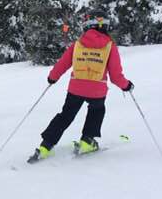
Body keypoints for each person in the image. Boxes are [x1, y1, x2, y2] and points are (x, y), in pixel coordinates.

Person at [29, 10, 133, 163]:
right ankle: (87, 142)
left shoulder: (78, 44)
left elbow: (62, 64)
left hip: (75, 88)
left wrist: (53, 77)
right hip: (97, 90)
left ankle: (45, 146)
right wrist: (126, 85)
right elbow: (116, 76)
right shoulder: (110, 46)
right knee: (96, 111)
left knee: (65, 116)